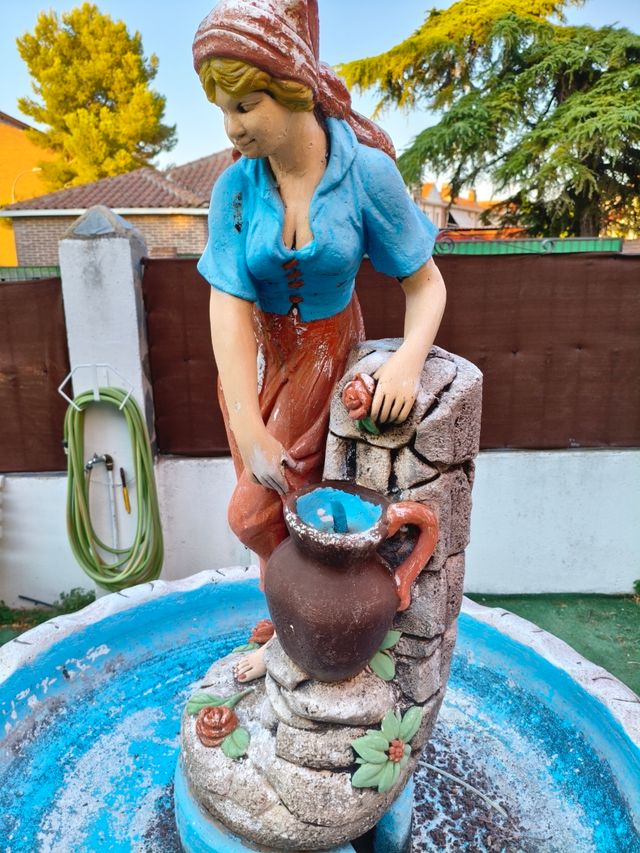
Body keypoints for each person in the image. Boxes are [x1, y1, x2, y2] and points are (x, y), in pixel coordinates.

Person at [193, 0, 446, 681]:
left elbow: (427, 286)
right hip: (253, 365)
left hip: (331, 355)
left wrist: (405, 362)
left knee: (263, 511)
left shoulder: (366, 174)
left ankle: (313, 619)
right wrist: (245, 419)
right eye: (223, 107)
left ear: (293, 90)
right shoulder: (236, 192)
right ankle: (291, 611)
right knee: (264, 511)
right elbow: (226, 301)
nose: (231, 126)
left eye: (245, 105)